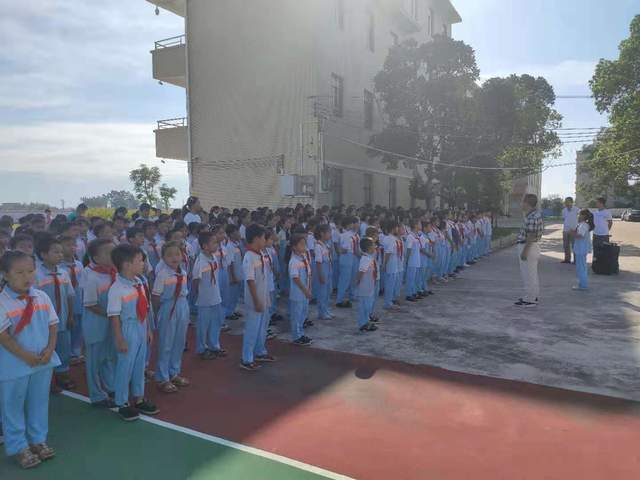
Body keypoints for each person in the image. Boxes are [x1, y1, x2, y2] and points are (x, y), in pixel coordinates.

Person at [0, 251, 60, 469]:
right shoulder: (3, 302)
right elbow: (3, 336)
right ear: (5, 275)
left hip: (43, 362)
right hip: (14, 366)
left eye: (31, 271)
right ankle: (18, 447)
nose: (27, 276)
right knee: (12, 407)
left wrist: (50, 348)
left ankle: (37, 440)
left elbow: (53, 324)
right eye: (19, 272)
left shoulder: (41, 296)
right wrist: (26, 356)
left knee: (38, 403)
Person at [107, 244, 159, 421]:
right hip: (127, 328)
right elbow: (114, 317)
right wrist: (119, 339)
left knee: (139, 365)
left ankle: (139, 397)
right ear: (127, 264)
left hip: (141, 326)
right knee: (125, 366)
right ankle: (121, 402)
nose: (143, 264)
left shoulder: (139, 283)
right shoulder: (117, 288)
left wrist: (148, 329)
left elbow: (144, 308)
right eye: (140, 261)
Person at [34, 235, 76, 391]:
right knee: (46, 348)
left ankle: (62, 375)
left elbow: (70, 295)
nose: (60, 255)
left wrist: (70, 315)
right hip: (44, 322)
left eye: (60, 252)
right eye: (55, 252)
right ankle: (48, 381)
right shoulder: (36, 274)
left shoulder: (63, 273)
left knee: (64, 347)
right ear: (43, 254)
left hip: (63, 318)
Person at [82, 239, 117, 407]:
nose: (113, 256)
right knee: (94, 361)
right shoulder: (92, 277)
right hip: (96, 324)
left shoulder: (113, 272)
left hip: (110, 324)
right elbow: (90, 304)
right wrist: (111, 314)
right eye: (108, 253)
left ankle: (111, 387)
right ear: (95, 257)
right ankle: (96, 395)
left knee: (108, 356)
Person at [152, 241, 190, 392]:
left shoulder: (184, 272)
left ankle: (174, 372)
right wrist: (157, 313)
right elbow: (156, 296)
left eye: (177, 254)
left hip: (182, 305)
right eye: (169, 255)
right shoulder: (162, 274)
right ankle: (162, 377)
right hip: (168, 307)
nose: (174, 257)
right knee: (166, 343)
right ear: (163, 258)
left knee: (179, 342)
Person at [241, 224, 274, 370]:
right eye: (262, 238)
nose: (265, 240)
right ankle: (246, 359)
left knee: (262, 327)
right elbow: (250, 280)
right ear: (255, 239)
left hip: (263, 297)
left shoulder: (261, 254)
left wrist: (266, 297)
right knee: (252, 328)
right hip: (255, 300)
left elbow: (264, 278)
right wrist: (256, 300)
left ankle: (260, 351)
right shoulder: (249, 257)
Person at [191, 232, 225, 361]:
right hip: (204, 298)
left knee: (216, 322)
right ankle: (201, 348)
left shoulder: (213, 257)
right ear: (205, 246)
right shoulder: (200, 261)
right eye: (214, 242)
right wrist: (198, 295)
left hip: (215, 296)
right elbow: (195, 280)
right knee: (203, 325)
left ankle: (214, 346)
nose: (217, 245)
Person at [515, 194, 543, 307]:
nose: (521, 204)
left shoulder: (532, 217)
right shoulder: (533, 215)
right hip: (531, 246)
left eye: (522, 202)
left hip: (528, 246)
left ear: (527, 203)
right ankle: (532, 296)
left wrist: (525, 251)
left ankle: (530, 299)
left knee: (528, 274)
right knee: (531, 273)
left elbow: (531, 235)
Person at [288, 234, 313, 347]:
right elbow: (295, 278)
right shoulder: (293, 261)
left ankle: (301, 333)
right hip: (298, 293)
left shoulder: (303, 258)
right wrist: (305, 290)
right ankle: (296, 336)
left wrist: (309, 288)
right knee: (297, 315)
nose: (304, 246)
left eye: (305, 244)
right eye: (301, 244)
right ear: (294, 247)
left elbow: (308, 274)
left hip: (305, 291)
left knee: (303, 313)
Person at [355, 237, 379, 333]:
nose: (375, 246)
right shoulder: (365, 259)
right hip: (364, 287)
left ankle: (366, 322)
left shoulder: (369, 258)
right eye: (373, 245)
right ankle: (362, 324)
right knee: (364, 306)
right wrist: (357, 282)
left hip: (369, 285)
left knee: (368, 305)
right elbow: (361, 272)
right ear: (369, 248)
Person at [314, 224, 333, 320]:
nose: (330, 235)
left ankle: (326, 309)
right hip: (322, 269)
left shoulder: (325, 245)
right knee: (322, 292)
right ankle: (321, 312)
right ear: (322, 233)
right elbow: (318, 262)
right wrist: (321, 275)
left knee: (328, 291)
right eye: (329, 232)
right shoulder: (318, 246)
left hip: (328, 268)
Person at [573, 209, 594, 291]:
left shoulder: (584, 225)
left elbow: (580, 236)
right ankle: (581, 283)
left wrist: (571, 233)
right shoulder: (581, 224)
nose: (578, 216)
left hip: (581, 249)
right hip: (580, 248)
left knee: (581, 267)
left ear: (583, 216)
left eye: (579, 214)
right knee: (580, 267)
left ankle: (583, 285)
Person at [561, 197, 579, 264]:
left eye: (567, 201)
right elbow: (564, 219)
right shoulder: (564, 210)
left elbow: (581, 219)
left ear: (572, 202)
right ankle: (567, 259)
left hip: (574, 230)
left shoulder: (576, 209)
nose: (566, 203)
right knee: (566, 245)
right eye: (565, 201)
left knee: (574, 245)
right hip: (565, 230)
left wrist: (577, 228)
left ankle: (576, 260)